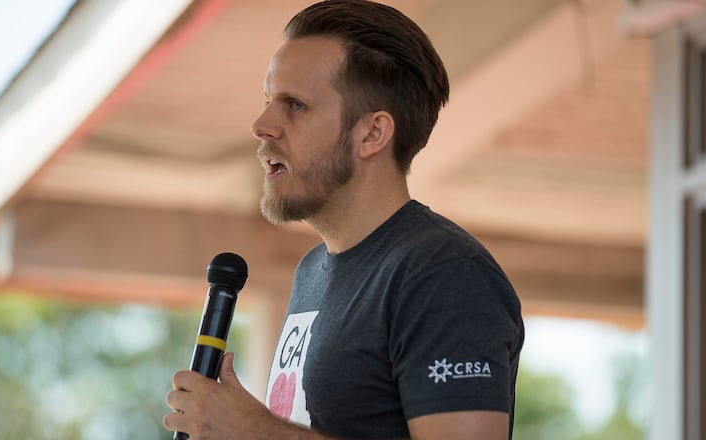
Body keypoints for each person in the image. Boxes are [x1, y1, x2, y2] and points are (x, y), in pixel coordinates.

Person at [163, 1, 524, 438]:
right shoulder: (313, 271)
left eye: (294, 106)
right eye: (268, 102)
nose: (262, 125)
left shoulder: (444, 273)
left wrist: (259, 432)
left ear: (372, 133)